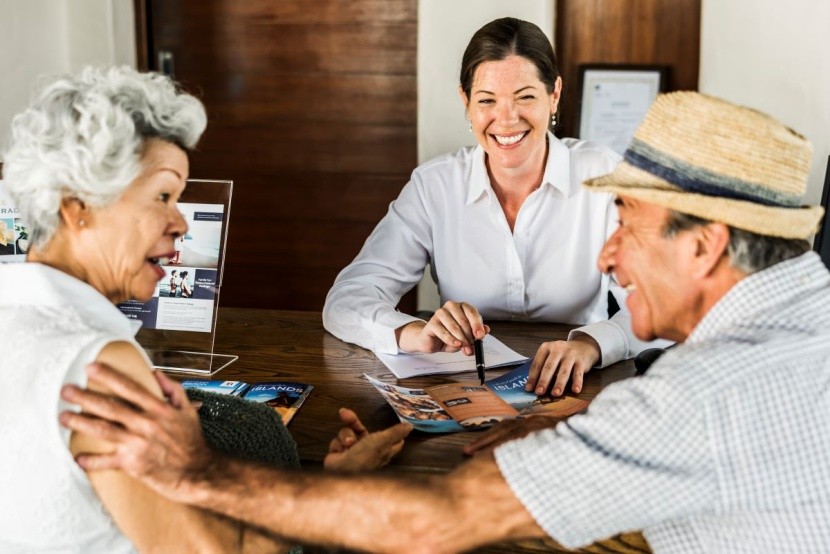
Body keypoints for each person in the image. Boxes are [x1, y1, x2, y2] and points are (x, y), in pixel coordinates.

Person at [60, 91, 830, 552]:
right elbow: (354, 293)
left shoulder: (701, 399)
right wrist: (541, 436)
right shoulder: (810, 307)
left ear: (706, 245)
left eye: (626, 219)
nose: (608, 254)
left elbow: (445, 522)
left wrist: (195, 470)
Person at [0, 65, 410, 553]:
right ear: (78, 207)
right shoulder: (101, 368)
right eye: (163, 196)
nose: (180, 223)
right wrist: (339, 490)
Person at [323, 17, 667, 398]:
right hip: (465, 387)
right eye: (487, 100)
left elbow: (663, 304)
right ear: (466, 102)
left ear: (554, 95)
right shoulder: (434, 185)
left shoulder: (604, 176)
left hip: (581, 386)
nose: (506, 119)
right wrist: (412, 333)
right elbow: (347, 300)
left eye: (525, 97)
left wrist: (592, 344)